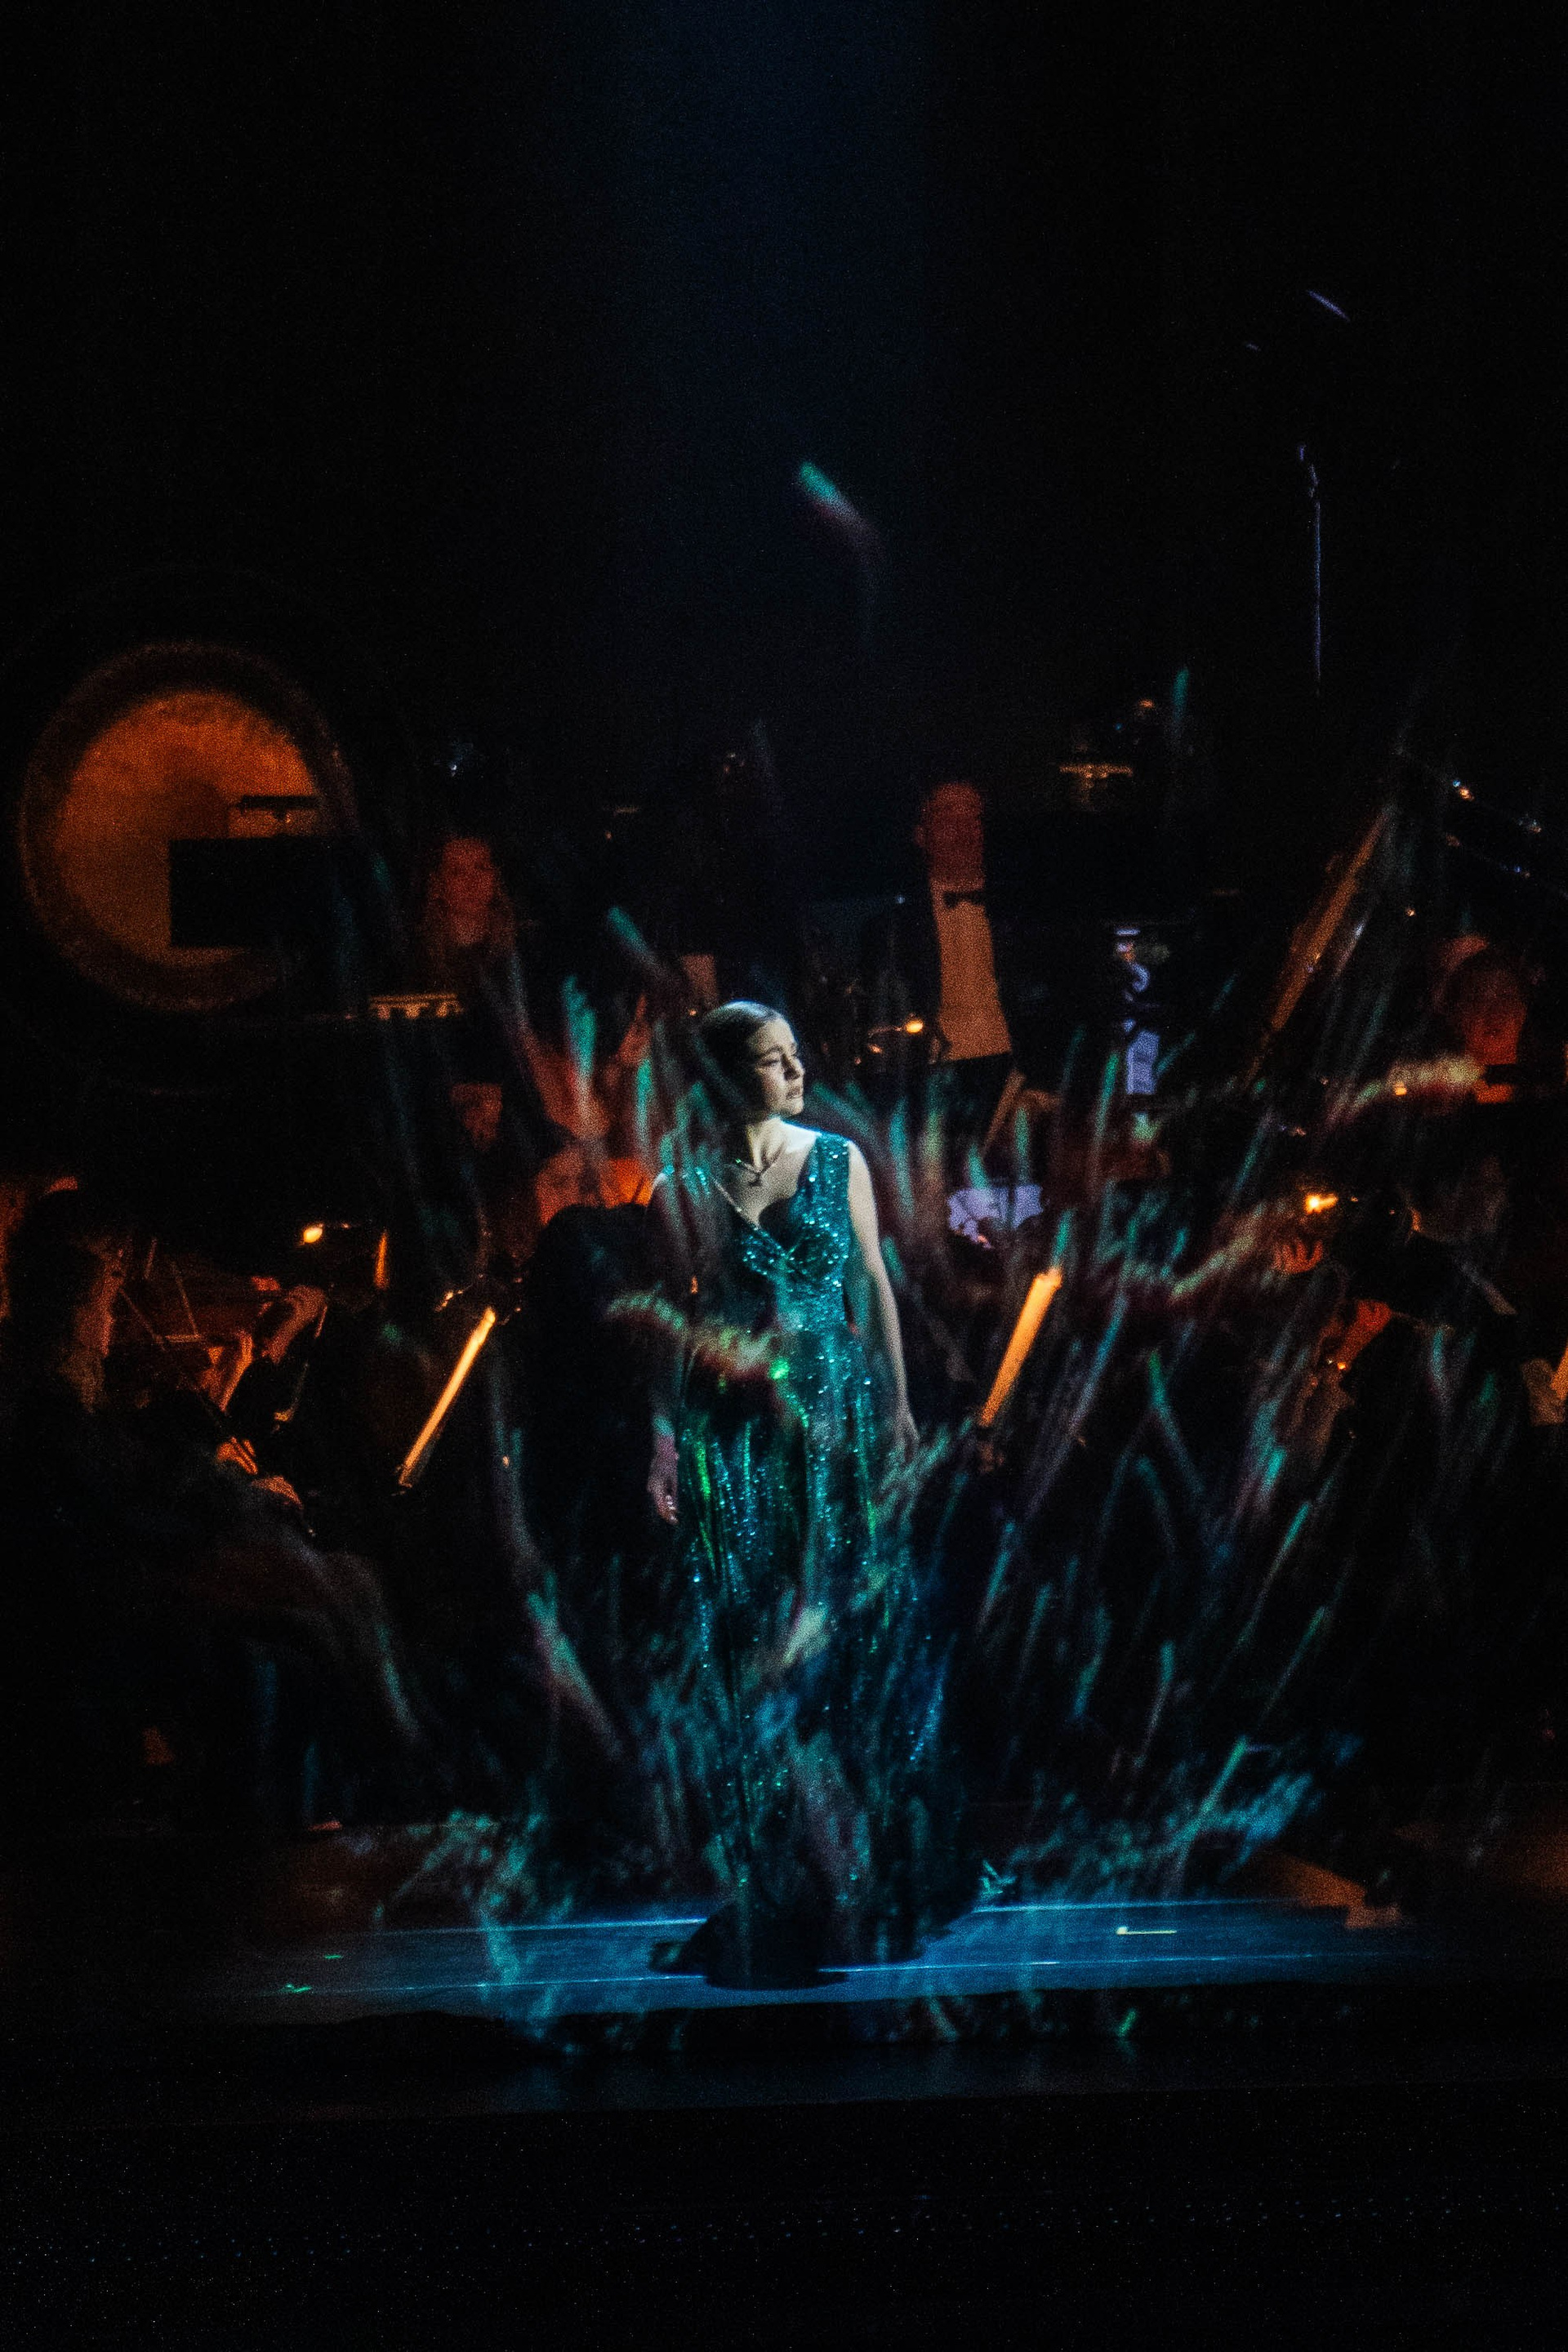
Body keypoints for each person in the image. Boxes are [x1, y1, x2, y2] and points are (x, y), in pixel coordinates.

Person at [640, 1001, 959, 1984]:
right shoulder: (683, 1185)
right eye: (773, 1060)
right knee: (757, 1634)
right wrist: (663, 1444)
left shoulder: (835, 1160)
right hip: (739, 1427)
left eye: (794, 1055)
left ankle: (866, 1866)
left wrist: (899, 1404)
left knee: (845, 1622)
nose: (796, 1072)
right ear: (728, 1076)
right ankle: (782, 1871)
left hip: (833, 1413)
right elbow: (672, 1325)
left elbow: (870, 1280)